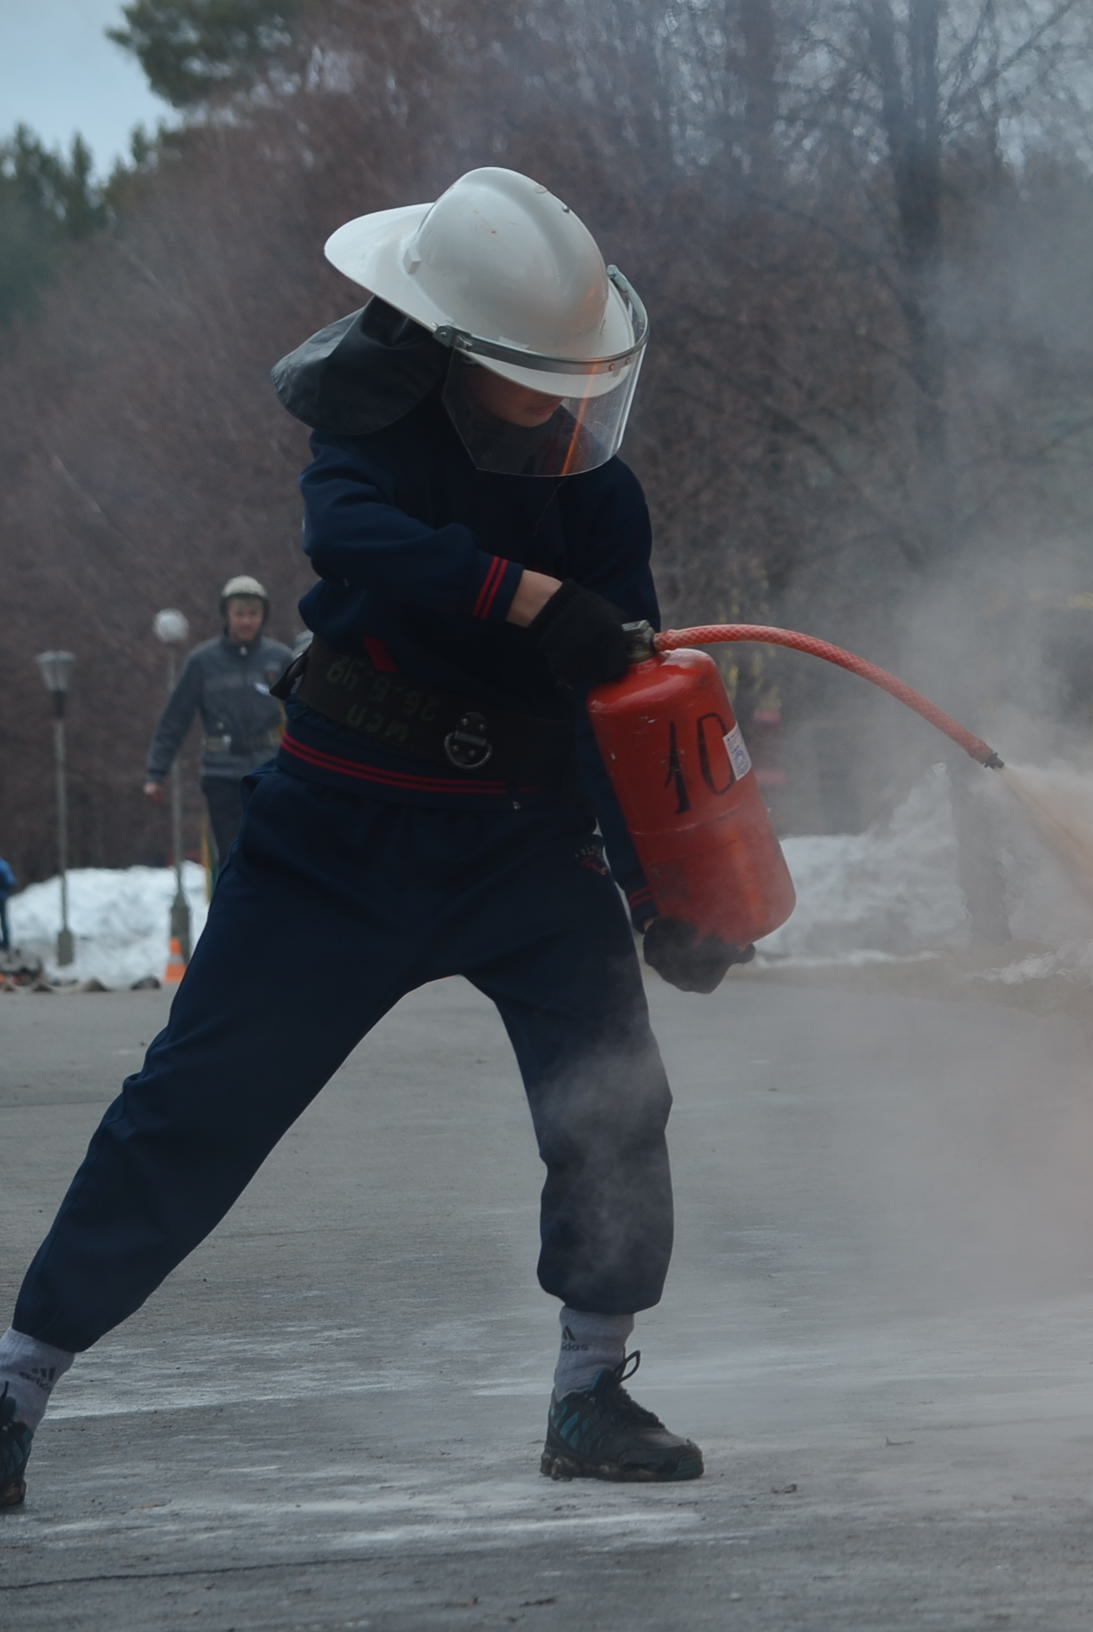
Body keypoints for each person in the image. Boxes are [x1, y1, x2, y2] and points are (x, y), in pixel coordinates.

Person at [0, 167, 754, 1515]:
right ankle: (15, 1384)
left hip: (529, 845)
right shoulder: (368, 439)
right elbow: (355, 539)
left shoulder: (601, 495)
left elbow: (624, 708)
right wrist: (531, 601)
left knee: (616, 1107)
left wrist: (664, 891)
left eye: (580, 368)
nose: (568, 396)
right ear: (454, 354)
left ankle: (590, 1393)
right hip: (337, 836)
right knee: (196, 1107)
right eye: (535, 371)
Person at [145, 576, 295, 868]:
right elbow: (175, 719)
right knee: (233, 852)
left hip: (269, 767)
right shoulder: (202, 662)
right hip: (222, 772)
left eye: (253, 614)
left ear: (263, 616)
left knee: (274, 847)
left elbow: (305, 713)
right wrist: (156, 772)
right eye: (240, 613)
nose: (246, 621)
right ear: (227, 615)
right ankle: (238, 911)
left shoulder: (279, 659)